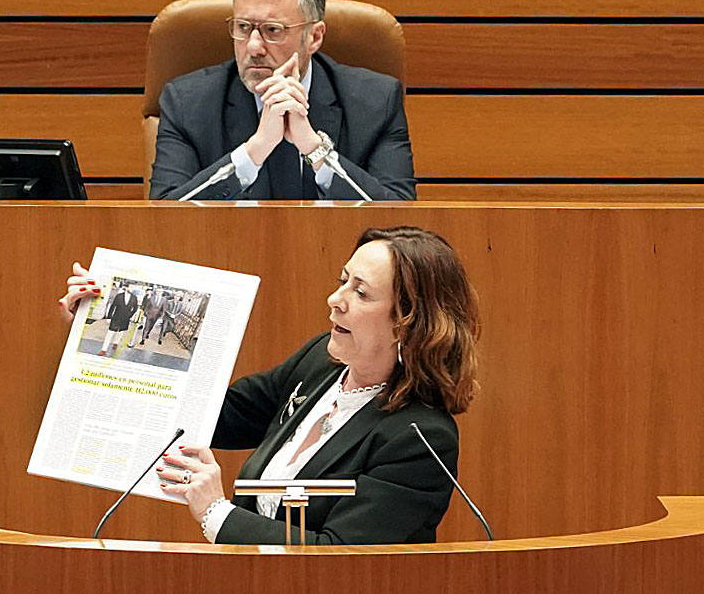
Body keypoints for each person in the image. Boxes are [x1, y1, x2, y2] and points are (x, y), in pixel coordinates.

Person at [57, 226, 479, 545]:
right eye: (342, 279)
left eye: (362, 293)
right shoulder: (322, 362)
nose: (336, 299)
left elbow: (343, 558)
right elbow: (209, 414)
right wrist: (94, 333)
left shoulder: (420, 439)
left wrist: (216, 514)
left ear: (406, 324)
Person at [148, 0, 416, 201]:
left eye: (273, 30)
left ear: (314, 36)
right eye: (243, 27)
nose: (253, 47)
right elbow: (162, 218)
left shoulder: (376, 102)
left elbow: (399, 218)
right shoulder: (187, 103)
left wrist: (314, 149)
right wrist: (253, 152)